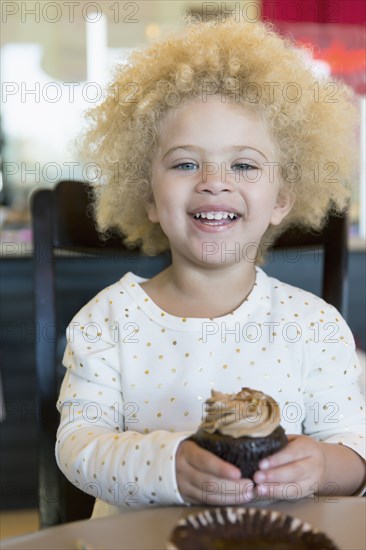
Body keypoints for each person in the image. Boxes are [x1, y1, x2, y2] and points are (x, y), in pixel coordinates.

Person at [56, 15, 365, 518]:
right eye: (185, 163)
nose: (214, 182)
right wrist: (166, 464)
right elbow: (77, 447)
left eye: (243, 165)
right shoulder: (108, 319)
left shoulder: (314, 326)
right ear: (148, 195)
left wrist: (324, 465)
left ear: (282, 197)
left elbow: (355, 451)